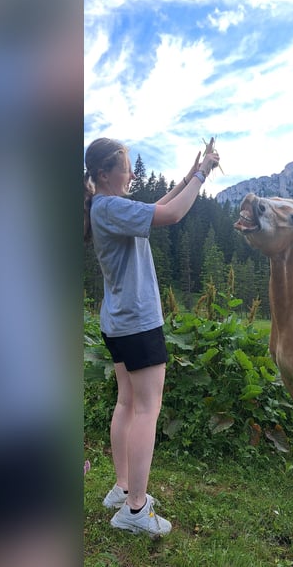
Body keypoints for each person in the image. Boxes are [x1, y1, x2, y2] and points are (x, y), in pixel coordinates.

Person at [84, 137, 219, 537]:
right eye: (125, 168)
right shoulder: (109, 207)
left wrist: (184, 179)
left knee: (127, 403)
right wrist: (202, 173)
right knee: (146, 409)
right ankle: (135, 509)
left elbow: (159, 207)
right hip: (138, 322)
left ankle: (123, 487)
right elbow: (172, 216)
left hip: (118, 322)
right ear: (106, 174)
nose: (131, 174)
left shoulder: (106, 207)